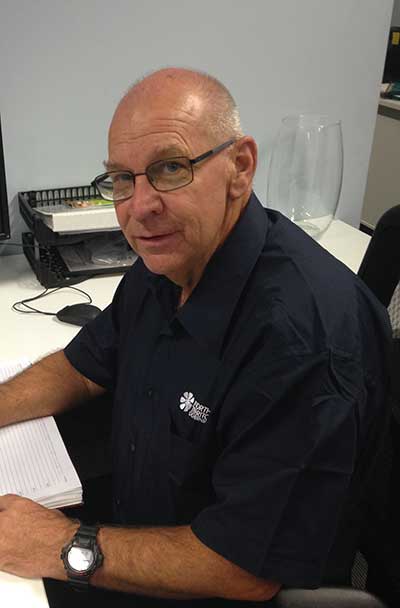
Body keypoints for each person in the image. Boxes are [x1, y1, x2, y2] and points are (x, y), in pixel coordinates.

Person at [0, 68, 392, 607]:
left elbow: (243, 569)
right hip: (140, 521)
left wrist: (59, 546)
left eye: (169, 169)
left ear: (241, 167)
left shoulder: (299, 341)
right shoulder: (168, 262)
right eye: (121, 179)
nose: (139, 207)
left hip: (212, 579)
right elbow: (83, 365)